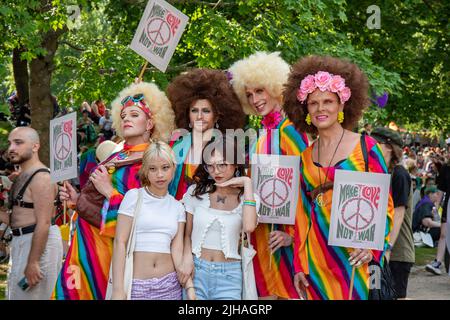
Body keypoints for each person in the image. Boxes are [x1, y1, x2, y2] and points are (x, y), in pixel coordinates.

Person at [283, 55, 394, 300]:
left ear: (342, 104)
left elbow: (385, 205)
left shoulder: (366, 148)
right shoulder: (305, 156)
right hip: (316, 258)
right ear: (306, 109)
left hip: (355, 255)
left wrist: (374, 247)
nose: (321, 108)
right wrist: (300, 264)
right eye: (313, 103)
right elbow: (301, 215)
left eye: (328, 101)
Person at [52, 81, 175, 300]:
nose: (126, 118)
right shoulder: (118, 155)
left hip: (109, 252)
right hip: (85, 243)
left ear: (150, 124)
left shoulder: (151, 160)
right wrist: (77, 199)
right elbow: (98, 201)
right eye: (124, 114)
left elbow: (146, 214)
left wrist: (109, 191)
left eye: (135, 115)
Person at [228, 51, 309, 299]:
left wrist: (293, 235)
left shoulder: (292, 131)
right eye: (249, 94)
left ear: (276, 87)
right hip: (260, 239)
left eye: (260, 91)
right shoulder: (261, 135)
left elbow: (309, 188)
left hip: (285, 245)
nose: (255, 99)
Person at [178, 136, 259, 300]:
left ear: (235, 164)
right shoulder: (196, 193)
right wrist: (186, 259)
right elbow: (186, 234)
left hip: (229, 277)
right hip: (196, 272)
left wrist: (247, 182)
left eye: (222, 164)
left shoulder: (248, 198)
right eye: (211, 166)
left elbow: (249, 227)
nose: (216, 171)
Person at [111, 141, 185, 300]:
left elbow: (177, 250)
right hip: (137, 285)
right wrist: (118, 289)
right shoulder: (134, 197)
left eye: (165, 168)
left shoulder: (178, 207)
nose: (160, 174)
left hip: (170, 286)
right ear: (145, 171)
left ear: (173, 168)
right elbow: (120, 242)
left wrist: (189, 284)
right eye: (153, 169)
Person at [167, 68, 246, 200]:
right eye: (194, 110)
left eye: (206, 111)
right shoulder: (174, 145)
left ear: (216, 116)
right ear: (187, 114)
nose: (199, 116)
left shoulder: (227, 148)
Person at [2, 127, 62, 299]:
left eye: (18, 142)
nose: (11, 148)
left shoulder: (41, 178)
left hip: (39, 244)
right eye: (10, 143)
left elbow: (43, 223)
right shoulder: (23, 176)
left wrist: (33, 261)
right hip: (22, 241)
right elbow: (17, 220)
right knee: (16, 295)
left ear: (35, 147)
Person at [371, 127, 415, 299]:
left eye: (375, 144)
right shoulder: (379, 172)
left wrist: (387, 247)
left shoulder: (399, 174)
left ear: (388, 147)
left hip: (397, 253)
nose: (370, 148)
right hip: (378, 252)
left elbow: (398, 213)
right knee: (375, 294)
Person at [425, 156, 450, 275]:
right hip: (448, 206)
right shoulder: (446, 168)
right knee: (444, 234)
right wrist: (436, 206)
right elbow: (441, 189)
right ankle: (438, 262)